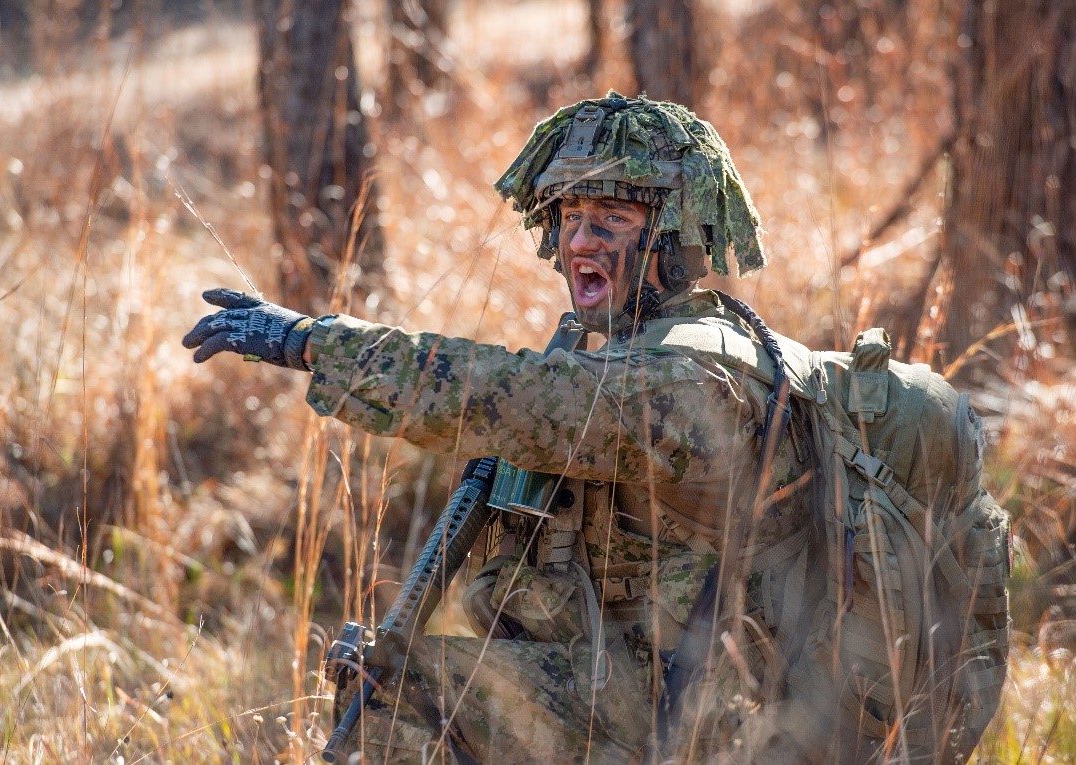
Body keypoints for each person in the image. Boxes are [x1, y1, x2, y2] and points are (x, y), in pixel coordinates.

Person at [183, 93, 831, 763]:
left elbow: (507, 396)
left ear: (674, 234)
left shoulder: (690, 376)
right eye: (571, 215)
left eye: (612, 216)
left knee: (401, 688)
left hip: (700, 714)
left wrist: (315, 343)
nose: (582, 238)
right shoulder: (622, 347)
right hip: (625, 680)